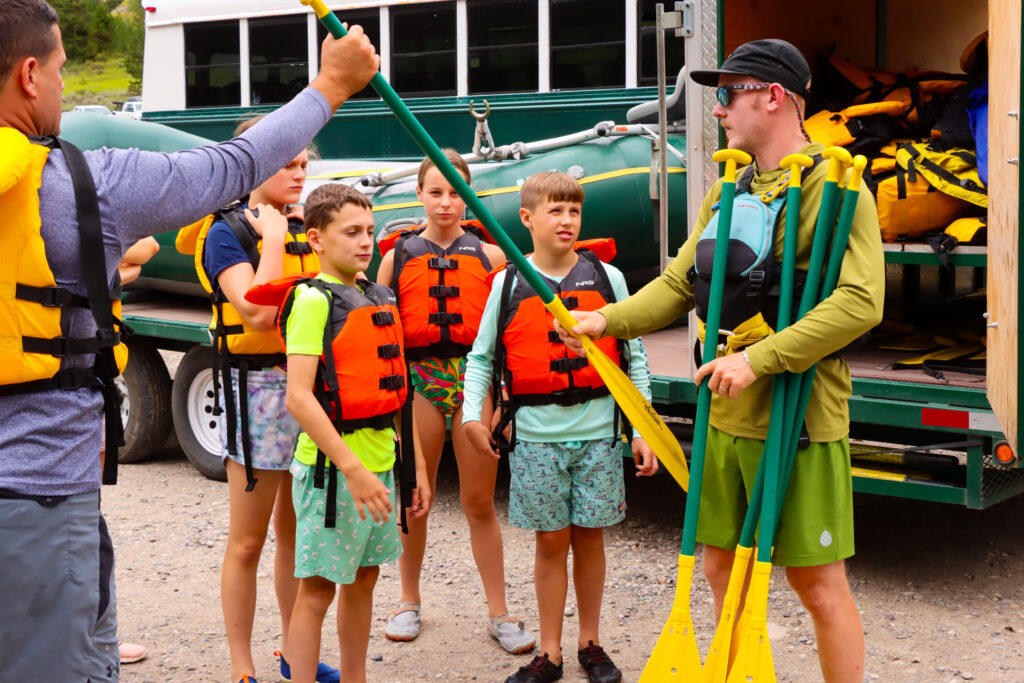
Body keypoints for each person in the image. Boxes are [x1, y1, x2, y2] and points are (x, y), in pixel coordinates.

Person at [0, 1, 379, 680]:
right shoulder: (85, 185)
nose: (62, 87)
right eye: (61, 71)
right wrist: (330, 86)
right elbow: (228, 168)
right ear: (30, 74)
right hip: (41, 498)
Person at [558, 39, 882, 683]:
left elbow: (860, 302)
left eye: (730, 93)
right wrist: (604, 320)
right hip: (723, 410)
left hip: (797, 415)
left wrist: (761, 359)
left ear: (774, 96)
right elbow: (680, 284)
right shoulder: (729, 186)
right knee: (718, 567)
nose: (720, 108)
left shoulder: (837, 187)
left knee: (816, 584)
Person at [462, 171, 657, 683]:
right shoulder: (506, 283)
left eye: (574, 211)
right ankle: (549, 652)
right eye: (555, 210)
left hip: (596, 436)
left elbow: (635, 359)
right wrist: (469, 417)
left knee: (590, 539)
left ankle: (591, 643)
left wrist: (643, 429)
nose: (567, 220)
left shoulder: (608, 279)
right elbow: (481, 360)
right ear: (526, 219)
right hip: (535, 441)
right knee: (550, 542)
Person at [190, 115, 335, 683]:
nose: (299, 174)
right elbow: (254, 309)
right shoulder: (227, 231)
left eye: (304, 164)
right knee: (248, 539)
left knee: (296, 535)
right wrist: (273, 238)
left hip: (308, 387)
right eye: (287, 163)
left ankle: (293, 655)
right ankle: (241, 666)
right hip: (256, 391)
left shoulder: (308, 225)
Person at [375, 152, 536, 652]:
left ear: (470, 197)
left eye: (456, 192)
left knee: (479, 502)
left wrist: (503, 403)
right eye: (436, 192)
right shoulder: (396, 257)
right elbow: (379, 334)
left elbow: (509, 338)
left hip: (474, 379)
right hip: (418, 381)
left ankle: (499, 610)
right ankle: (407, 600)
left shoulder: (490, 257)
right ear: (418, 195)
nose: (446, 202)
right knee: (415, 499)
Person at [272, 183, 430, 683]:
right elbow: (299, 396)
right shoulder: (312, 301)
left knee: (364, 580)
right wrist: (353, 469)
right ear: (316, 239)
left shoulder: (377, 296)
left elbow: (398, 394)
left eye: (369, 231)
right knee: (317, 589)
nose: (366, 242)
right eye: (351, 232)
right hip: (334, 474)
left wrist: (416, 469)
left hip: (381, 462)